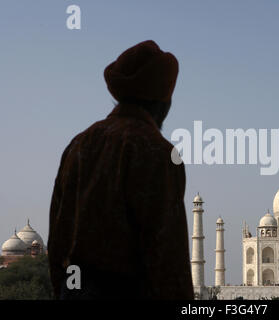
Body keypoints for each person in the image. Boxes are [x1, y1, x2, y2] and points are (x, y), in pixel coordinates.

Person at [48, 40, 194, 300]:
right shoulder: (157, 152)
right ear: (164, 101)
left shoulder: (79, 144)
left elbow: (58, 240)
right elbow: (168, 256)